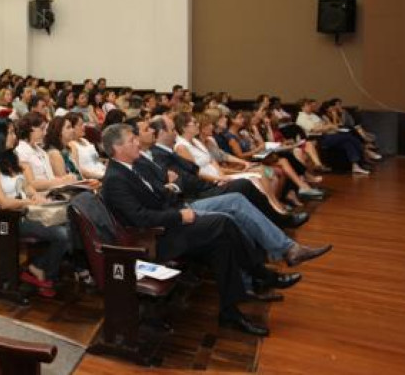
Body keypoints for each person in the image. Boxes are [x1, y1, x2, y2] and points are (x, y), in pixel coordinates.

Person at [100, 123, 300, 337]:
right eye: (132, 140)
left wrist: (175, 202)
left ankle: (231, 311)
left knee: (222, 242)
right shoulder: (115, 178)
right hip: (156, 239)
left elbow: (160, 193)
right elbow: (140, 218)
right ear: (117, 148)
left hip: (170, 220)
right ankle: (261, 274)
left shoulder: (134, 166)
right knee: (223, 223)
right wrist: (179, 215)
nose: (137, 142)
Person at [133, 119, 332, 286]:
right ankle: (272, 252)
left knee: (245, 192)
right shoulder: (157, 155)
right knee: (239, 198)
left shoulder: (160, 153)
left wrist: (212, 179)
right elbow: (178, 185)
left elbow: (192, 171)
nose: (174, 132)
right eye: (171, 129)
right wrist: (182, 184)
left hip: (199, 191)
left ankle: (274, 252)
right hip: (190, 200)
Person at [0, 118, 72, 298]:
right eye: (10, 133)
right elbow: (3, 202)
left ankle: (39, 267)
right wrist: (29, 202)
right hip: (9, 218)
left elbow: (26, 186)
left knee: (72, 224)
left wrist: (35, 196)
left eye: (14, 132)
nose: (15, 136)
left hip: (25, 212)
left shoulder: (10, 157)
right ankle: (44, 272)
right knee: (62, 234)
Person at [296, 98, 370, 175]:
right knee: (347, 136)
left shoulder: (313, 115)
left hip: (325, 135)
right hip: (317, 139)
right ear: (302, 107)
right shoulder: (302, 118)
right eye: (308, 105)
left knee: (347, 142)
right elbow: (315, 129)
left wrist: (326, 127)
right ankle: (365, 152)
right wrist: (328, 126)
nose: (310, 106)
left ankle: (355, 166)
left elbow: (323, 125)